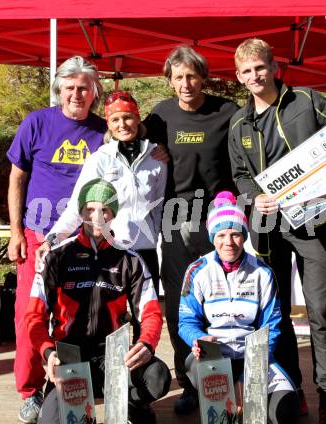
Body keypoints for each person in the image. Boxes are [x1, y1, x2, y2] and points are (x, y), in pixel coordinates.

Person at [228, 38, 326, 424]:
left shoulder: (306, 101)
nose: (254, 75)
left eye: (260, 67)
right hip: (269, 229)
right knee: (278, 316)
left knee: (321, 312)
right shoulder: (239, 123)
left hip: (313, 225)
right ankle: (292, 390)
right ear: (239, 77)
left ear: (274, 67)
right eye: (246, 71)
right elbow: (240, 175)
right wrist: (255, 197)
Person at [7, 56, 107, 423]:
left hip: (84, 240)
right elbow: (17, 179)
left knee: (75, 316)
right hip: (38, 236)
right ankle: (31, 391)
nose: (77, 94)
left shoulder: (103, 129)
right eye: (70, 87)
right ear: (59, 90)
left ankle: (73, 383)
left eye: (84, 87)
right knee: (29, 314)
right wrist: (17, 232)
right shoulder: (37, 123)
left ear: (94, 92)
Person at [24, 179, 171, 424]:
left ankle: (132, 405)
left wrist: (146, 344)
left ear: (113, 213)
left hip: (115, 356)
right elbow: (33, 317)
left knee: (158, 376)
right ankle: (80, 407)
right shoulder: (57, 257)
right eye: (90, 209)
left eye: (104, 209)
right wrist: (48, 352)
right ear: (81, 212)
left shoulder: (130, 260)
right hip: (70, 357)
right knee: (50, 421)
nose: (97, 216)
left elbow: (151, 313)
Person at [144, 45, 239, 414]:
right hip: (174, 220)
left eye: (192, 76)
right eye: (178, 77)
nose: (185, 84)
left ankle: (224, 378)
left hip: (217, 220)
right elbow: (127, 140)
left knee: (221, 300)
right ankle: (189, 383)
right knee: (181, 302)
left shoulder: (226, 111)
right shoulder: (160, 116)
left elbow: (243, 156)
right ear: (169, 80)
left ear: (203, 77)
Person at [178, 191, 299, 424]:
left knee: (285, 410)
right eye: (221, 235)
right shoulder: (196, 270)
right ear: (213, 237)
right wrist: (199, 338)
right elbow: (186, 321)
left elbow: (272, 326)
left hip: (253, 356)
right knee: (223, 416)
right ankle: (219, 400)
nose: (228, 242)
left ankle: (250, 398)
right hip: (214, 355)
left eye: (235, 235)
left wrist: (250, 372)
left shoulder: (263, 272)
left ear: (244, 236)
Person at [40, 91, 167, 300]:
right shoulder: (100, 159)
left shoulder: (157, 158)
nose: (122, 124)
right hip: (111, 249)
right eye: (115, 119)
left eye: (127, 117)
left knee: (146, 318)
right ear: (108, 124)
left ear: (137, 118)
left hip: (146, 251)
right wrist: (53, 238)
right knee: (112, 319)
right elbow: (79, 205)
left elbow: (160, 206)